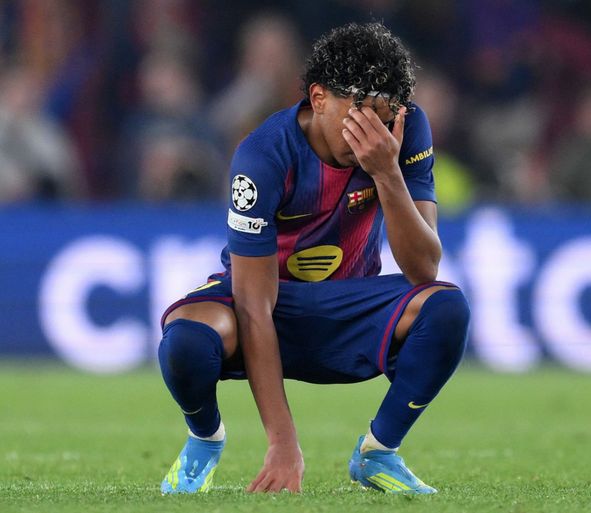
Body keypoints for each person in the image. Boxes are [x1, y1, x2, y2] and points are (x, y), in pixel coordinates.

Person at [157, 22, 470, 495]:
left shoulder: (405, 131)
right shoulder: (262, 155)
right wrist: (283, 443)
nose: (371, 132)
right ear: (319, 97)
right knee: (186, 340)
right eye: (358, 113)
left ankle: (379, 452)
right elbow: (253, 304)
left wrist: (387, 173)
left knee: (447, 308)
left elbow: (423, 269)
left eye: (384, 117)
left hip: (347, 306)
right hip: (269, 303)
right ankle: (205, 437)